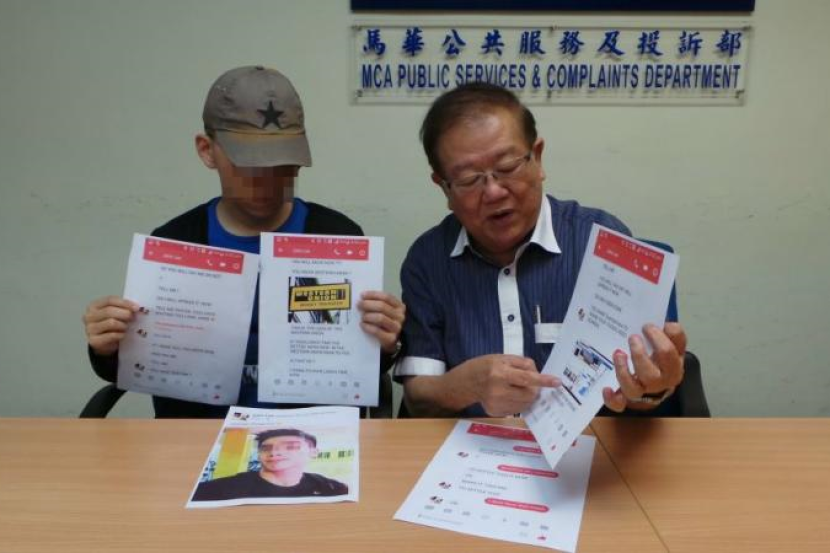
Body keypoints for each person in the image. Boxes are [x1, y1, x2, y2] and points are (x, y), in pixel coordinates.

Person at [83, 66, 405, 418]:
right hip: (194, 438)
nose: (267, 180)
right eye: (249, 164)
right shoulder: (175, 243)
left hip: (309, 436)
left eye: (282, 163)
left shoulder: (336, 236)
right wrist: (108, 346)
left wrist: (384, 343)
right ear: (207, 150)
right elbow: (141, 365)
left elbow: (356, 371)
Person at [396, 83, 687, 418]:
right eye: (468, 179)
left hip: (588, 445)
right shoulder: (428, 260)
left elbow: (635, 388)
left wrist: (651, 387)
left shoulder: (601, 242)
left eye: (508, 167)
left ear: (537, 157)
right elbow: (418, 396)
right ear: (444, 187)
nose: (493, 192)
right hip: (469, 446)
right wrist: (467, 386)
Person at [192, 428, 348, 501]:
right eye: (266, 448)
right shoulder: (218, 488)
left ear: (313, 452)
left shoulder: (330, 486)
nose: (274, 453)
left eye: (290, 447)